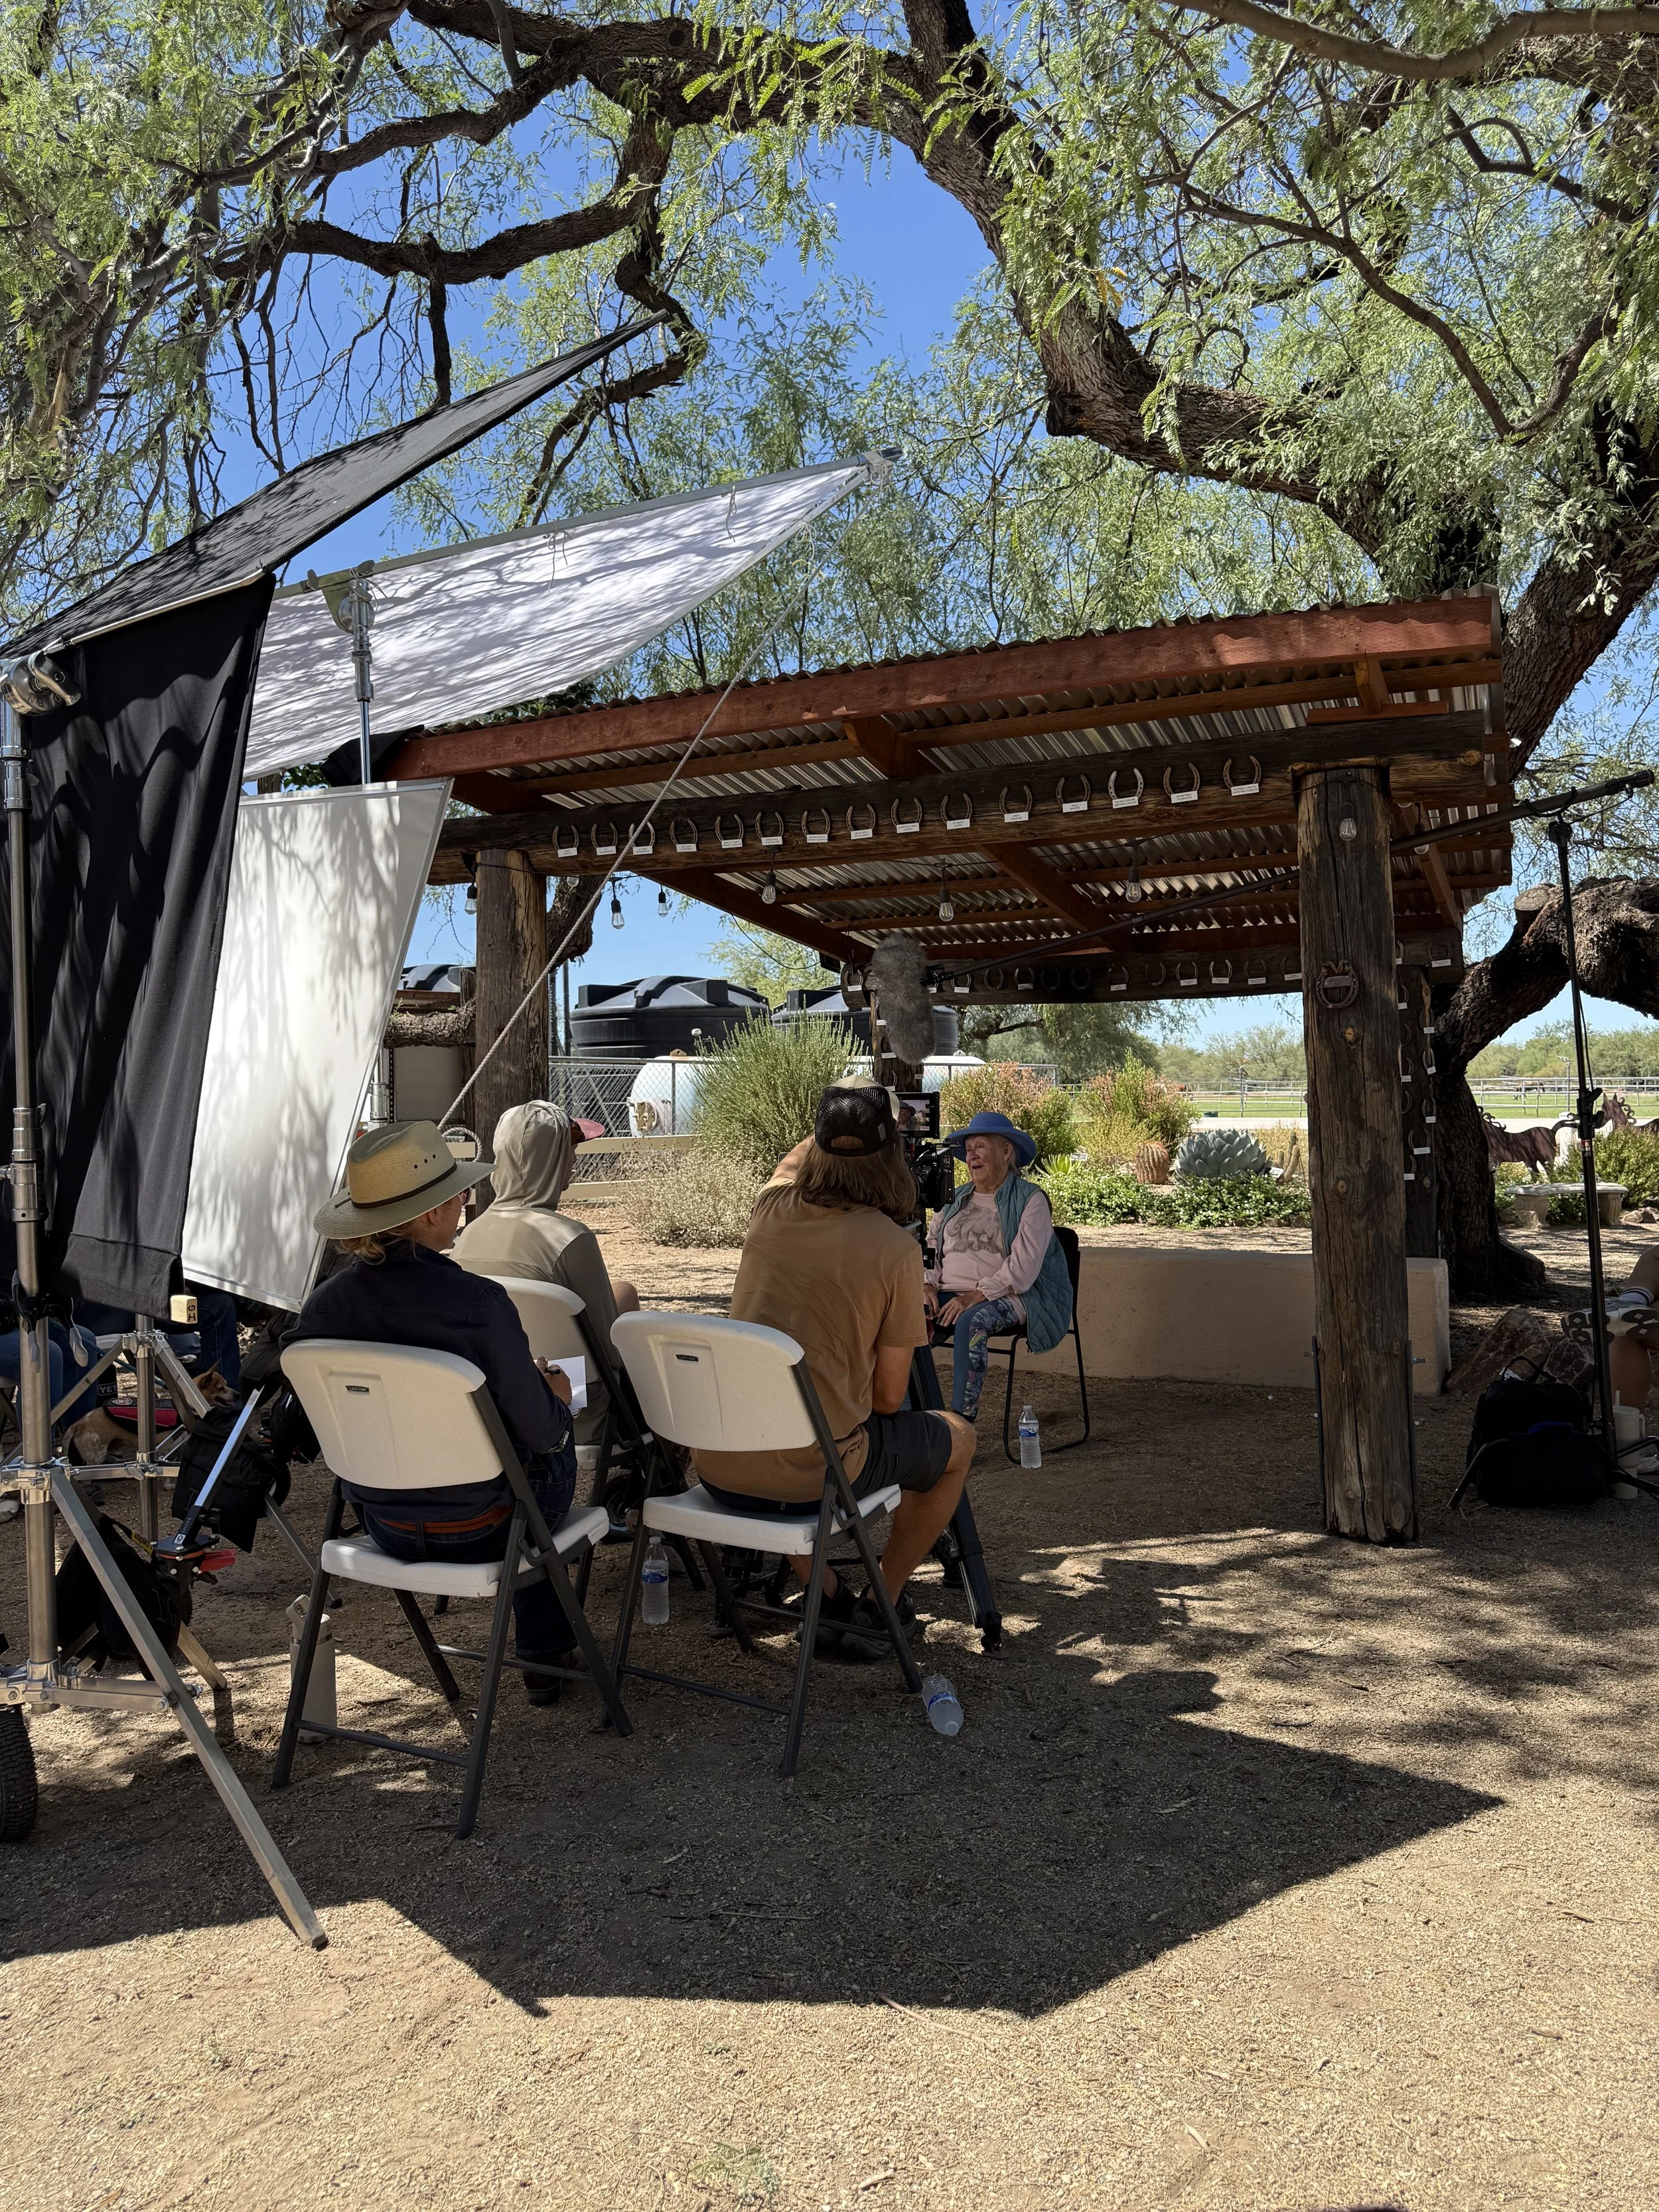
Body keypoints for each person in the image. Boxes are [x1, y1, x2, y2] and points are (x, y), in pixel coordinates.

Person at [283, 1120, 580, 1706]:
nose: (466, 1200)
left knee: (519, 1465)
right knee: (549, 1449)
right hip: (483, 1527)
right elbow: (540, 1430)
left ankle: (545, 1648)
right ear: (426, 1215)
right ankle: (544, 1654)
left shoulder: (320, 1310)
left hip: (383, 1522)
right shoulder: (478, 1303)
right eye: (455, 1193)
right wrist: (556, 1395)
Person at [693, 1081, 975, 1650]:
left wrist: (840, 1115)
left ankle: (823, 1595)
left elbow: (789, 1163)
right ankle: (882, 1600)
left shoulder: (768, 1208)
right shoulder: (894, 1250)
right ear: (892, 1153)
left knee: (789, 1423)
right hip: (808, 1479)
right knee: (958, 1440)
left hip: (718, 1463)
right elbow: (888, 1401)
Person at [451, 1100, 638, 1449]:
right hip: (577, 1409)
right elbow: (611, 1352)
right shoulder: (570, 1238)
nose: (573, 1162)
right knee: (625, 1296)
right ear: (553, 1162)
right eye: (569, 1152)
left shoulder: (469, 1237)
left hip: (493, 1404)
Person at [923, 1110, 1073, 1420]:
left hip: (1011, 1296)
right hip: (949, 1292)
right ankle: (919, 1415)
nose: (971, 1156)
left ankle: (959, 1424)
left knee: (971, 1322)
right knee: (904, 1316)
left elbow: (1022, 1269)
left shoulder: (1031, 1200)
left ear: (1006, 1152)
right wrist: (926, 1284)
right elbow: (931, 1245)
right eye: (968, 1149)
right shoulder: (955, 1198)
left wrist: (975, 1296)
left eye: (980, 1147)